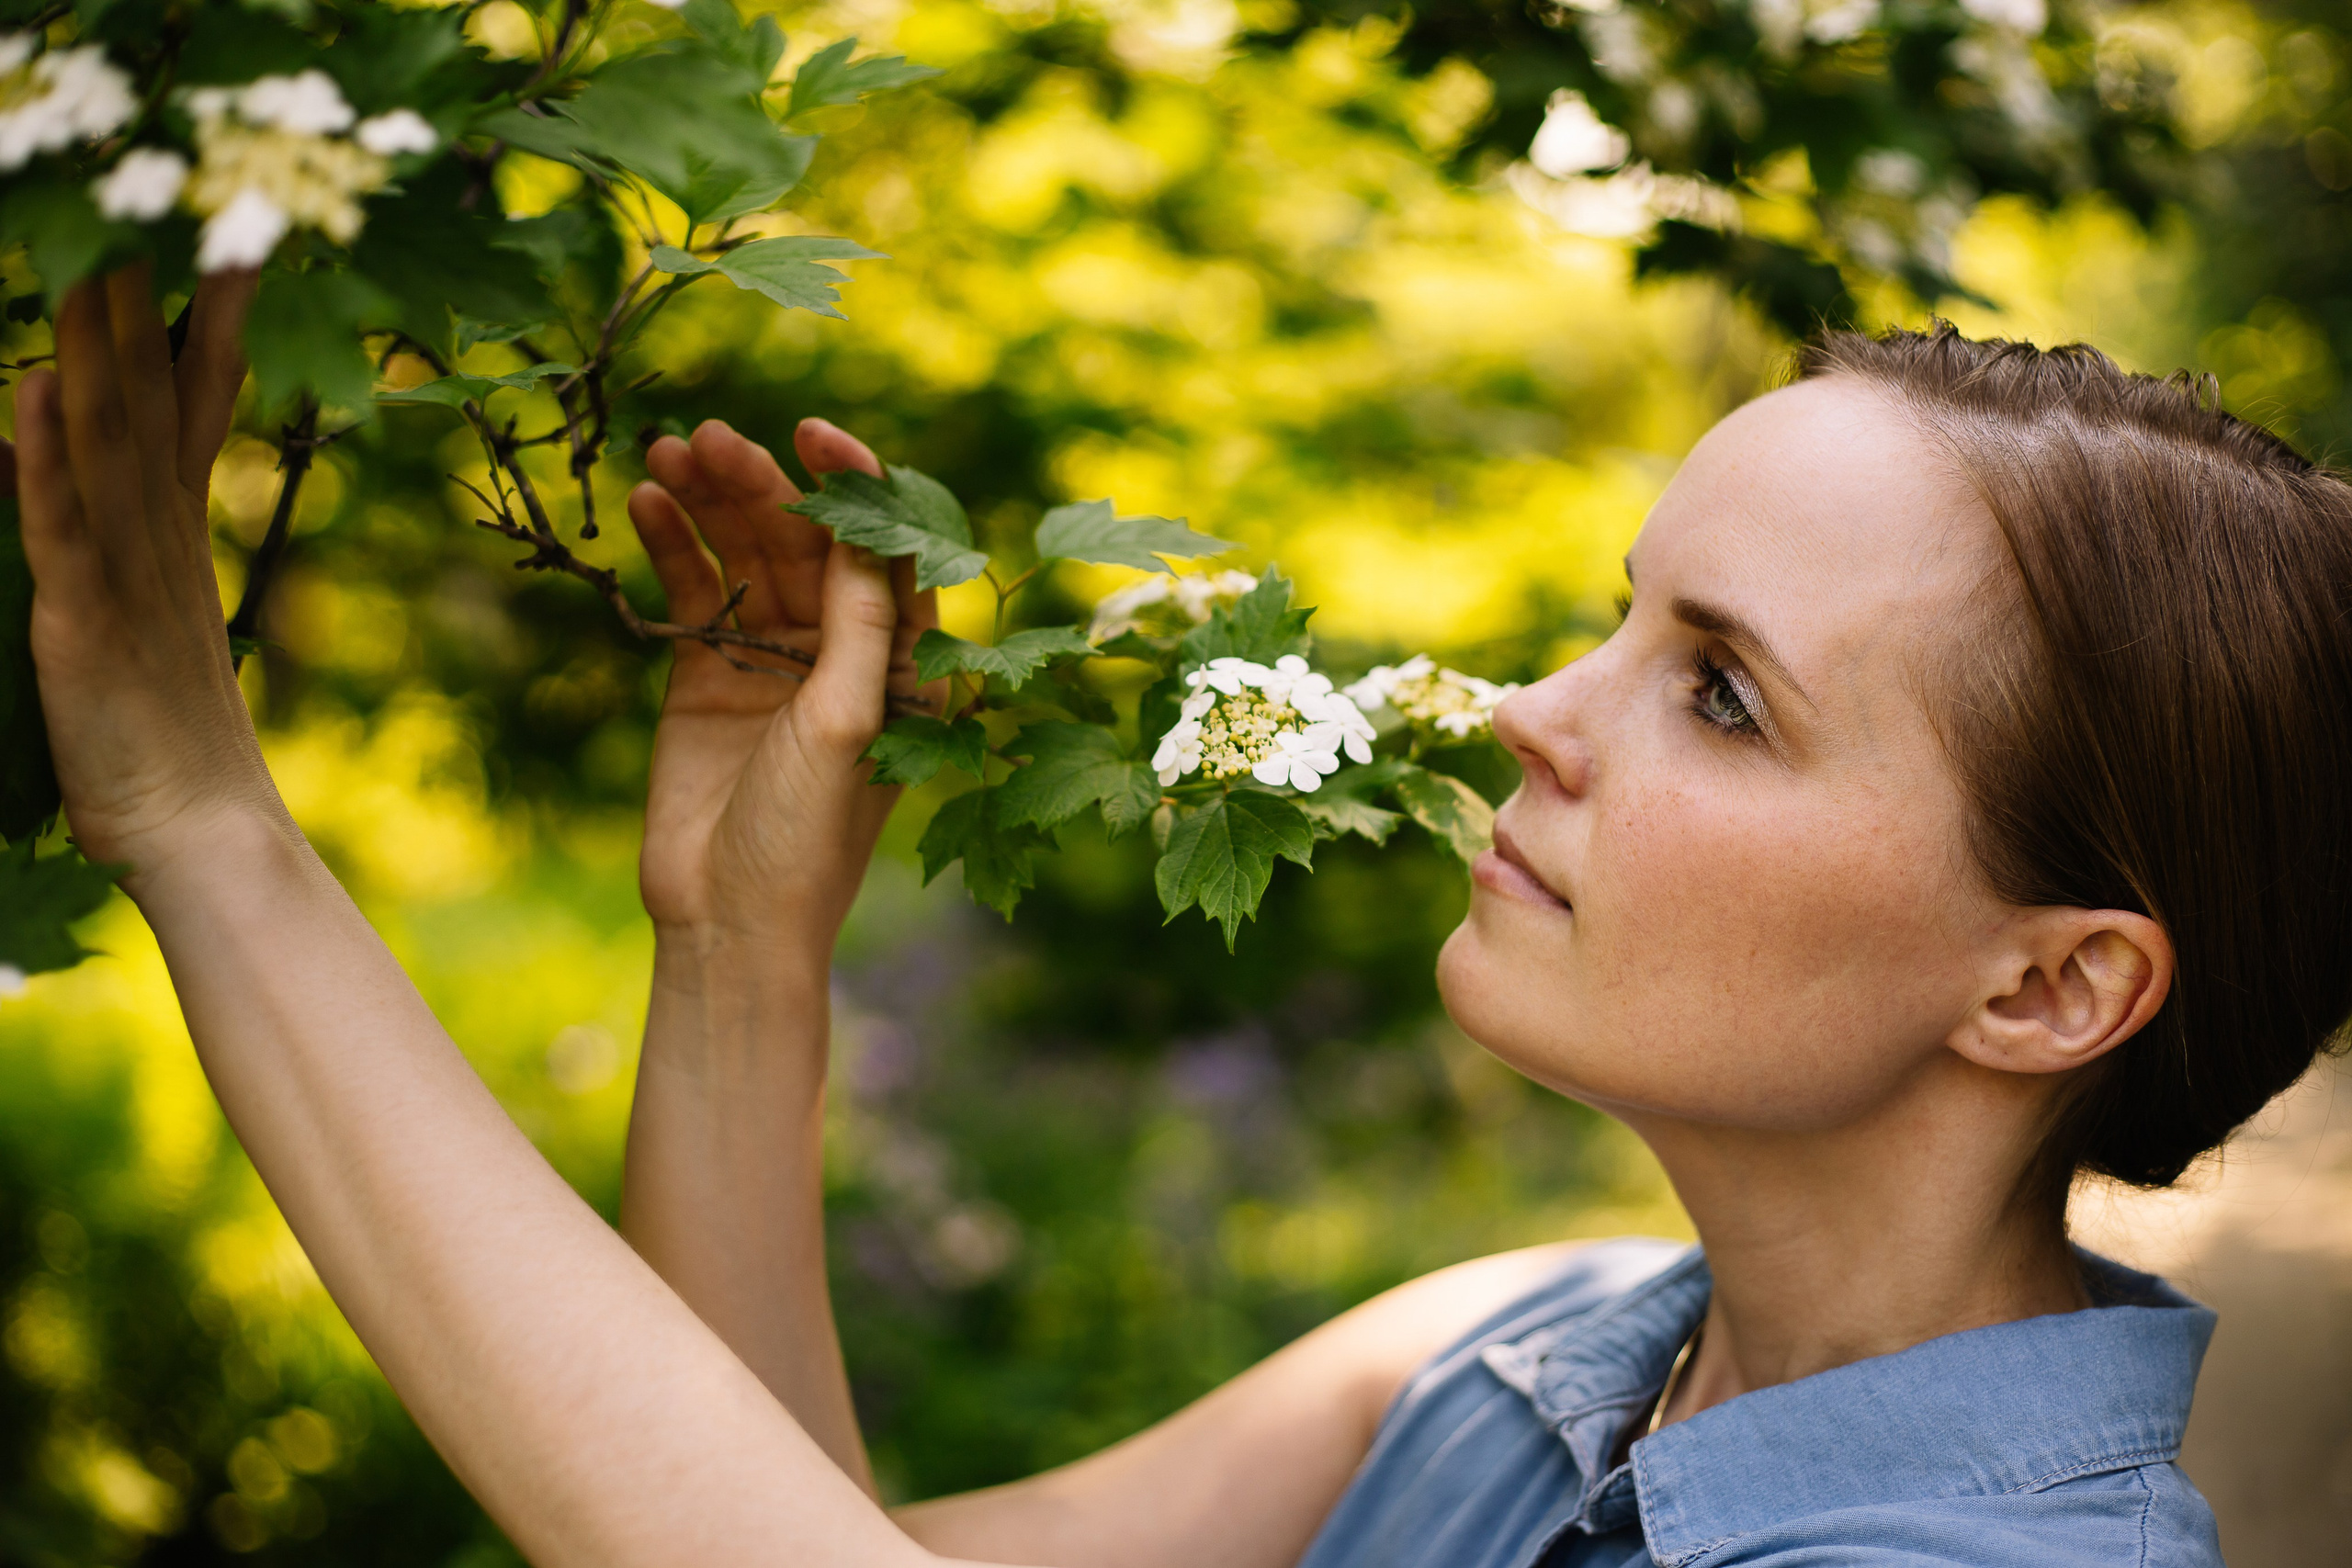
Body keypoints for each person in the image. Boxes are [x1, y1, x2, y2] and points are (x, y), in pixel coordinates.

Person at [15, 265, 2349, 1568]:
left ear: (2048, 980)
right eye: (1614, 619)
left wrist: (205, 815)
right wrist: (738, 954)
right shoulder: (1530, 1355)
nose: (1536, 709)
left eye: (1721, 696)